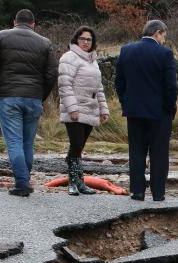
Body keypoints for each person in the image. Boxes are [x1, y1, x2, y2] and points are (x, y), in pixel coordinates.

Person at [0, 9, 58, 197]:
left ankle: (22, 183)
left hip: (8, 97)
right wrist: (41, 95)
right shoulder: (45, 42)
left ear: (14, 21)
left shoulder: (1, 36)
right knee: (27, 142)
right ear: (33, 24)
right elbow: (51, 74)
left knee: (14, 142)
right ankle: (24, 179)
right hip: (33, 99)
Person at [115, 19, 178, 202]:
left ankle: (137, 191)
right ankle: (158, 193)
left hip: (134, 111)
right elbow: (171, 86)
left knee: (136, 151)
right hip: (159, 112)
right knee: (159, 153)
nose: (164, 40)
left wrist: (126, 102)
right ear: (157, 32)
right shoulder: (164, 53)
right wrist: (170, 107)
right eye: (164, 36)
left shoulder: (126, 50)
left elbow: (119, 82)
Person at [58, 26, 110, 196]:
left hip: (91, 109)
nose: (86, 42)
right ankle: (73, 183)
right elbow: (64, 85)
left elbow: (99, 88)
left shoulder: (92, 60)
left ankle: (80, 182)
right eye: (82, 39)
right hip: (75, 110)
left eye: (89, 39)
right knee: (76, 145)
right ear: (76, 39)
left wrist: (104, 109)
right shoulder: (69, 57)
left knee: (79, 148)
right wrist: (72, 108)